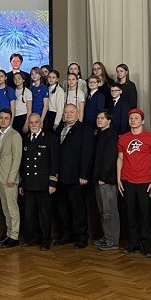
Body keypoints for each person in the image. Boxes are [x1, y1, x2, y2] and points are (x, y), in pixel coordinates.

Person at [117, 108, 151, 257]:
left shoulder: (150, 138)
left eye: (136, 118)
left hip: (145, 181)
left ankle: (146, 245)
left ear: (142, 121)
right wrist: (118, 179)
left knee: (145, 214)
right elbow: (120, 159)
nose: (133, 120)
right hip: (127, 180)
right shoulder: (123, 138)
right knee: (130, 213)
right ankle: (132, 243)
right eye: (131, 118)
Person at [54, 104, 94, 248]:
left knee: (78, 209)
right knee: (62, 208)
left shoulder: (85, 129)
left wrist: (84, 174)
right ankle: (66, 235)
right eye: (66, 112)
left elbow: (87, 153)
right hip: (60, 177)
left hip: (76, 177)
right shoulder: (59, 129)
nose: (68, 114)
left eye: (71, 112)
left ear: (77, 113)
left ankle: (81, 237)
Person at [20, 113, 58, 250]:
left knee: (44, 214)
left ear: (41, 123)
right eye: (31, 123)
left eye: (36, 122)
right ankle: (33, 238)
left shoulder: (50, 138)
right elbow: (23, 164)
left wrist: (53, 182)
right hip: (29, 182)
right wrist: (22, 183)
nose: (34, 125)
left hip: (43, 183)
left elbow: (54, 161)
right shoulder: (25, 139)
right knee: (30, 214)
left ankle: (46, 240)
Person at [91, 110, 120, 251]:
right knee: (102, 211)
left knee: (110, 212)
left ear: (109, 120)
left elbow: (110, 158)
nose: (99, 120)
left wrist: (103, 177)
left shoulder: (111, 135)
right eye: (98, 118)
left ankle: (112, 240)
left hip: (107, 180)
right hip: (99, 180)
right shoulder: (99, 134)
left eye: (102, 118)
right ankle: (106, 236)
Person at [0, 108, 22, 247]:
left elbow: (17, 158)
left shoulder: (14, 135)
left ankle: (14, 236)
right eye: (1, 118)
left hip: (9, 178)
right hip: (1, 176)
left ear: (10, 120)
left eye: (6, 118)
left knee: (12, 208)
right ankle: (8, 233)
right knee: (6, 209)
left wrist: (12, 177)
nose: (3, 120)